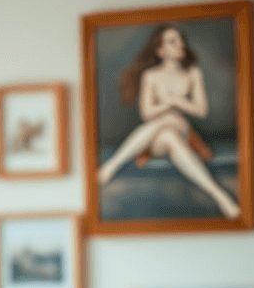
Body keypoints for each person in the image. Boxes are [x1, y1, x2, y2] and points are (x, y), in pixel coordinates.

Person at [96, 23, 241, 219]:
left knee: (171, 120)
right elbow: (147, 113)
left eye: (180, 39)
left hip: (182, 130)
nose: (180, 44)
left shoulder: (192, 74)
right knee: (167, 132)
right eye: (173, 42)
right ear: (161, 50)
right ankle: (219, 195)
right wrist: (170, 105)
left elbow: (201, 110)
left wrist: (174, 100)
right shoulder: (151, 76)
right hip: (155, 140)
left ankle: (112, 166)